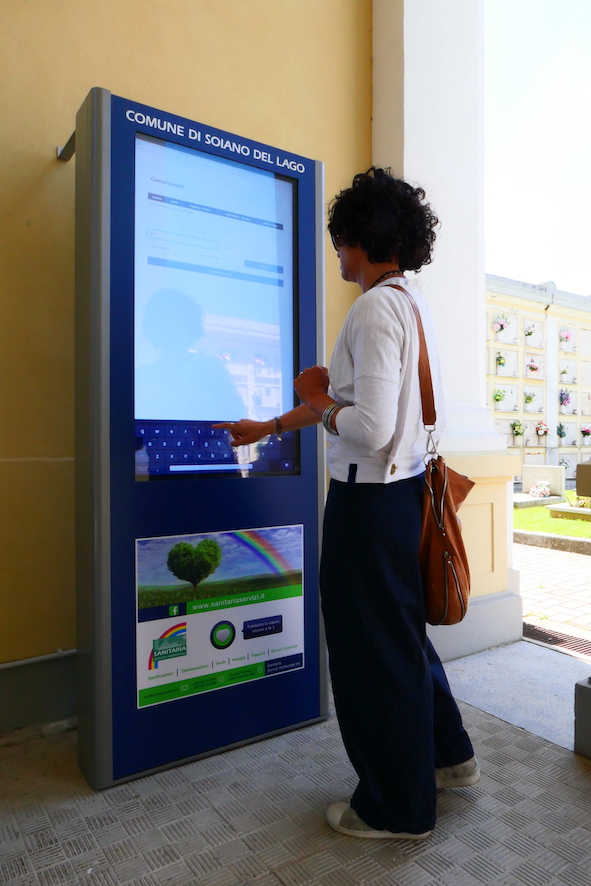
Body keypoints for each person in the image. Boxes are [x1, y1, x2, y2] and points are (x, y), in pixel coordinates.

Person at [215, 168, 478, 840]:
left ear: (361, 237)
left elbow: (367, 427)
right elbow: (363, 404)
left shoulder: (370, 309)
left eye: (340, 239)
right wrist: (274, 425)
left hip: (369, 508)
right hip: (403, 501)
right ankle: (450, 760)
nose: (336, 250)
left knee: (369, 657)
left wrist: (324, 402)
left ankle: (396, 808)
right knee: (401, 642)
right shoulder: (409, 304)